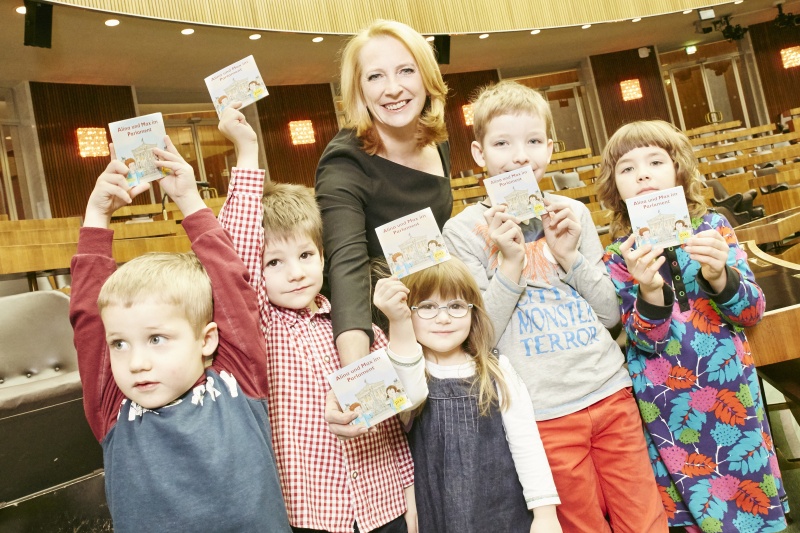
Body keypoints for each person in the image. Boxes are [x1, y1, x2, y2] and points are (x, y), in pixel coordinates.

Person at [442, 80, 667, 532]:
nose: (519, 155)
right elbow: (477, 335)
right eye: (502, 143)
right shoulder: (462, 231)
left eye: (531, 142)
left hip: (608, 389)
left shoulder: (572, 213)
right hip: (541, 410)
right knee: (581, 524)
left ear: (548, 149)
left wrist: (569, 256)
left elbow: (609, 315)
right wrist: (510, 263)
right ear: (479, 154)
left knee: (645, 521)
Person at [216, 103, 421, 533]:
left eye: (307, 255)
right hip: (313, 515)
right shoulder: (263, 328)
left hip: (385, 506)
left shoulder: (352, 325)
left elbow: (393, 423)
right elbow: (235, 253)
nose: (296, 272)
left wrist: (409, 494)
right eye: (274, 262)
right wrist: (248, 152)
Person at [68, 137, 291, 532]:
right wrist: (95, 216)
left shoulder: (237, 381)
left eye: (156, 339)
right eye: (119, 344)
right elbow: (88, 318)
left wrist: (190, 202)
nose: (136, 362)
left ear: (207, 340)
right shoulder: (113, 410)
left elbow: (232, 287)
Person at [596, 120, 788, 533]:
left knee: (751, 504)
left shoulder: (715, 227)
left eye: (654, 161)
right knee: (691, 518)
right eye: (627, 168)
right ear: (615, 187)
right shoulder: (618, 256)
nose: (642, 173)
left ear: (678, 171)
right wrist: (647, 289)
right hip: (667, 405)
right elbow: (645, 341)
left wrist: (720, 275)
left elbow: (751, 312)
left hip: (731, 391)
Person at [372, 259, 562, 533]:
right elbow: (410, 395)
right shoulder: (404, 372)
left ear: (474, 312)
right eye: (427, 307)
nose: (444, 317)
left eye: (456, 306)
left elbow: (526, 442)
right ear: (407, 312)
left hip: (503, 513)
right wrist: (397, 321)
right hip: (437, 513)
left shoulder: (497, 369)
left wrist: (545, 514)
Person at [315, 19, 452, 366]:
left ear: (426, 77)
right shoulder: (345, 162)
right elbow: (347, 271)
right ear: (359, 90)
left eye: (406, 70)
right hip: (380, 328)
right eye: (375, 76)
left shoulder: (438, 143)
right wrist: (359, 373)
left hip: (435, 313)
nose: (392, 88)